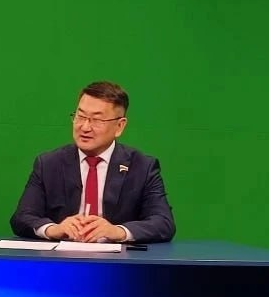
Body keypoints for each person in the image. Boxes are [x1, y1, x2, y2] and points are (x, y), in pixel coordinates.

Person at [10, 81, 175, 243]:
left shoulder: (142, 167)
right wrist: (54, 229)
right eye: (80, 116)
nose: (85, 127)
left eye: (97, 120)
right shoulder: (49, 164)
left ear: (119, 126)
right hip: (62, 256)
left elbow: (163, 222)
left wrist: (118, 231)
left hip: (118, 258)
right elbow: (22, 217)